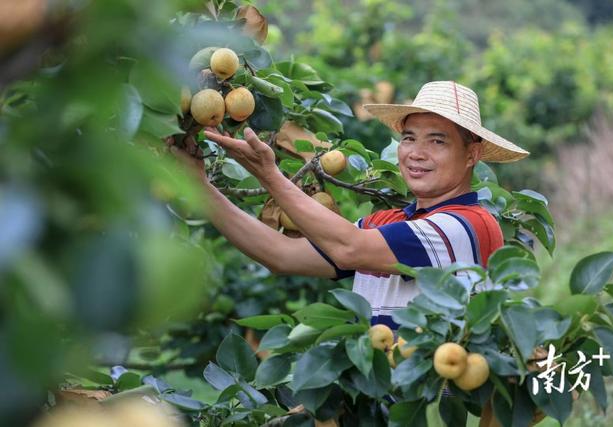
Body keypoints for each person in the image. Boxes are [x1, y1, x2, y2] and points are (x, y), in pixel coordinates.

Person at [168, 80, 529, 329]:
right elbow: (281, 255)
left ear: (472, 154)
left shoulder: (466, 225)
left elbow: (347, 248)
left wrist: (269, 174)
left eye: (438, 141)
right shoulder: (387, 223)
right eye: (409, 138)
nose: (416, 153)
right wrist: (200, 187)